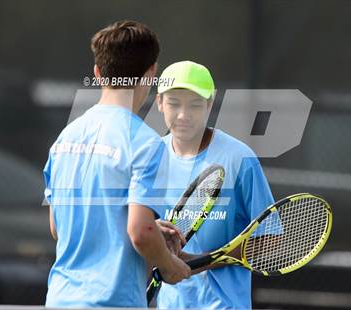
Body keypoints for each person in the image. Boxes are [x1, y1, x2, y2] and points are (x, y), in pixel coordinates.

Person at [42, 21, 190, 308]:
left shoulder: (65, 138)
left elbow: (58, 226)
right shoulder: (146, 143)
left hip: (60, 299)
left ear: (98, 73)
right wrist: (170, 265)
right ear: (151, 74)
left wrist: (146, 229)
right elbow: (141, 233)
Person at [155, 61, 274, 309]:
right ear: (159, 103)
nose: (183, 115)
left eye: (195, 105)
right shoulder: (149, 159)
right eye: (174, 103)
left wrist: (201, 261)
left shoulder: (240, 159)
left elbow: (271, 240)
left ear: (210, 105)